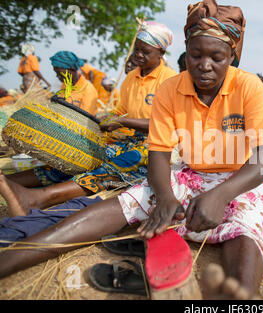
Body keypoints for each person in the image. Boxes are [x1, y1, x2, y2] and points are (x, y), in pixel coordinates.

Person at [0, 0, 263, 300]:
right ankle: (12, 258)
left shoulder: (249, 87)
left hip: (240, 179)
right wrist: (167, 197)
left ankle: (238, 295)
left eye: (217, 58)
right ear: (186, 48)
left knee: (248, 225)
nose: (204, 65)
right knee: (128, 201)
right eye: (196, 55)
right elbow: (158, 154)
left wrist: (221, 194)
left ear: (232, 55)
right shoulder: (171, 89)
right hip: (189, 174)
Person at [0, 22, 177, 217]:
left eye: (146, 52)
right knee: (81, 156)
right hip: (127, 138)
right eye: (137, 49)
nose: (138, 55)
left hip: (157, 146)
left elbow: (163, 126)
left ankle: (40, 198)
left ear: (161, 53)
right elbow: (122, 110)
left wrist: (122, 122)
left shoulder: (170, 80)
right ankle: (9, 183)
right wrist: (106, 118)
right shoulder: (132, 78)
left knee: (114, 166)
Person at [50, 51, 99, 115]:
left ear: (72, 69)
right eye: (56, 73)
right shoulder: (65, 84)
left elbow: (85, 119)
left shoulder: (88, 90)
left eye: (60, 73)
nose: (57, 76)